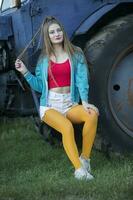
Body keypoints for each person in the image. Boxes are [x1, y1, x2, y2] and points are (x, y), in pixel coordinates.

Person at [15, 16, 99, 180]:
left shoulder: (76, 54)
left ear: (63, 32)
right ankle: (79, 171)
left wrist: (85, 102)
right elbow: (39, 86)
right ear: (48, 36)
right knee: (66, 128)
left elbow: (82, 81)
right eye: (52, 32)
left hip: (69, 103)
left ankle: (85, 160)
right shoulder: (43, 60)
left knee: (92, 115)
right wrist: (25, 72)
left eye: (58, 30)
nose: (56, 34)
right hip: (50, 106)